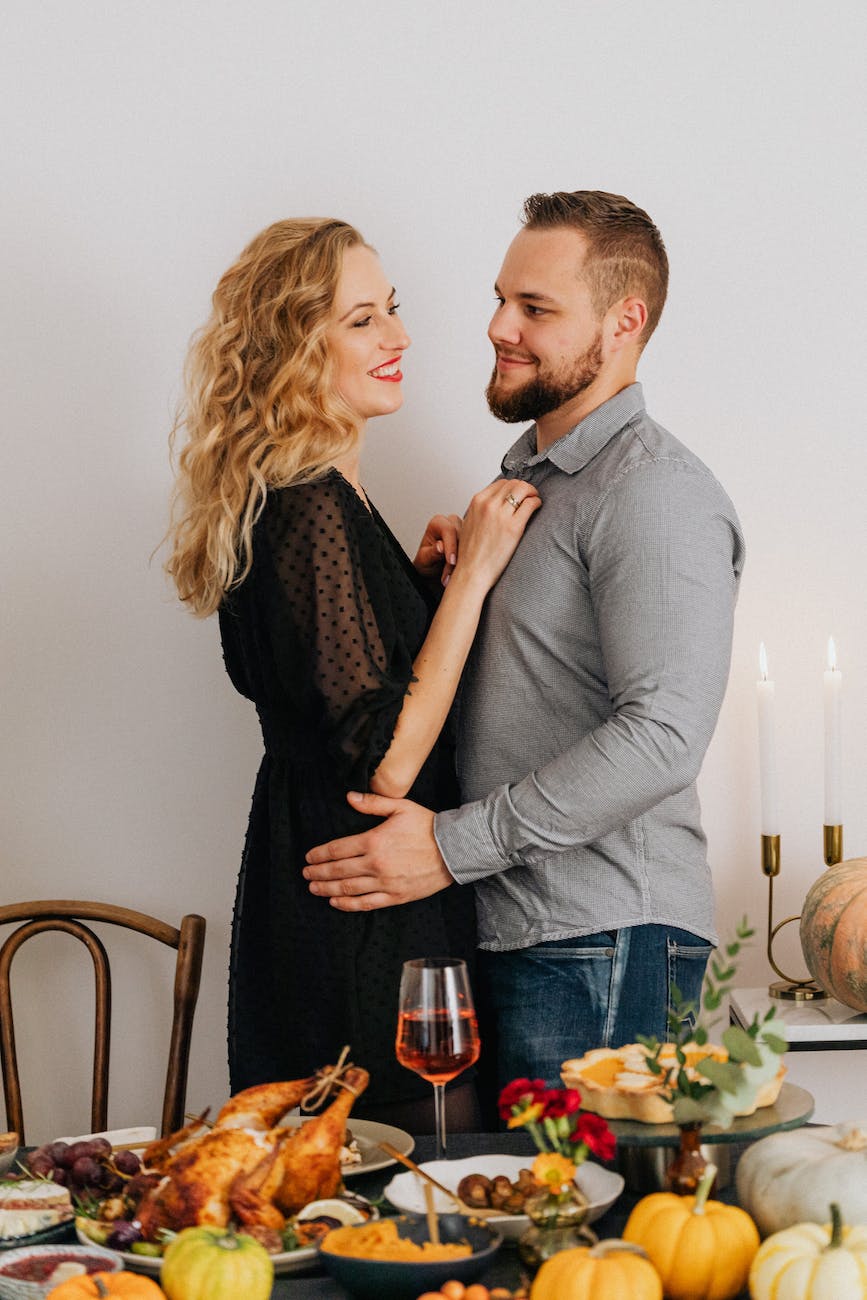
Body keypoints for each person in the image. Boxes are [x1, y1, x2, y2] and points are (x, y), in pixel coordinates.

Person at [303, 191, 746, 1104]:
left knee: (582, 1237)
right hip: (512, 934)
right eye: (500, 298)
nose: (499, 326)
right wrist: (434, 590)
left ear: (625, 323)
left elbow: (663, 735)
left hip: (601, 942)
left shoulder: (654, 493)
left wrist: (453, 848)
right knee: (510, 1228)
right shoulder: (527, 483)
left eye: (536, 309)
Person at [165, 217, 540, 1129]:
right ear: (299, 350)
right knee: (392, 1186)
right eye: (363, 319)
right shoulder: (309, 509)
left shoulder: (318, 500)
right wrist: (476, 579)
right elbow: (383, 760)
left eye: (392, 311)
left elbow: (328, 689)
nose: (399, 338)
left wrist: (417, 591)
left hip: (334, 896)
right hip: (361, 919)